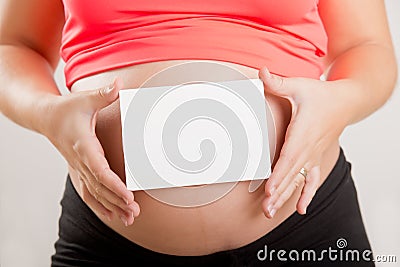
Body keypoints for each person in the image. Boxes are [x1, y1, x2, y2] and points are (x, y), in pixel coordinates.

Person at [0, 0, 397, 266]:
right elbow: (15, 45)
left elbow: (366, 46)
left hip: (303, 224)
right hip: (111, 236)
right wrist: (46, 114)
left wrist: (339, 102)